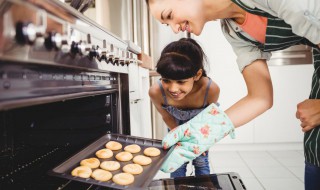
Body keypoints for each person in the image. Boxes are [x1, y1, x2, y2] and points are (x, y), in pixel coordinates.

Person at [145, 0, 320, 189]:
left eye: (169, 15)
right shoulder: (234, 30)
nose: (174, 29)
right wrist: (204, 132)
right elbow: (260, 97)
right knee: (315, 148)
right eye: (166, 24)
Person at [149, 38, 220, 177]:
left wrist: (202, 142)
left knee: (201, 162)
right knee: (176, 164)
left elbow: (209, 118)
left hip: (201, 131)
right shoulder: (156, 92)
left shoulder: (210, 89)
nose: (173, 89)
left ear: (197, 75)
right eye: (166, 80)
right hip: (175, 128)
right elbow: (166, 116)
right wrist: (178, 139)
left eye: (181, 81)